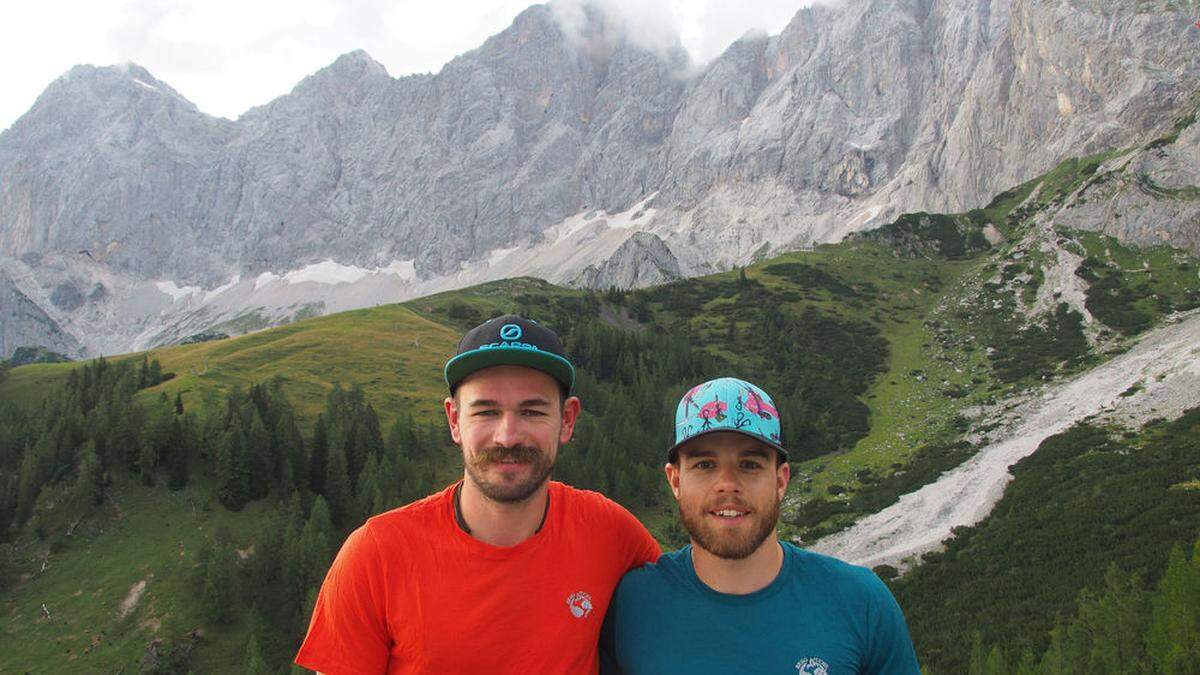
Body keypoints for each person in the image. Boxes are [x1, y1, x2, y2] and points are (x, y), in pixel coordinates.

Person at [296, 315, 661, 674]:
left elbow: (693, 594)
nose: (507, 436)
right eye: (486, 411)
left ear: (567, 420)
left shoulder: (609, 530)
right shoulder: (375, 553)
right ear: (454, 420)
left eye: (532, 411)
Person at [602, 377, 920, 674]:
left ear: (781, 481)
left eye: (750, 465)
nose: (727, 484)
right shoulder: (632, 603)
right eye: (705, 465)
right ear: (675, 480)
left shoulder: (862, 603)